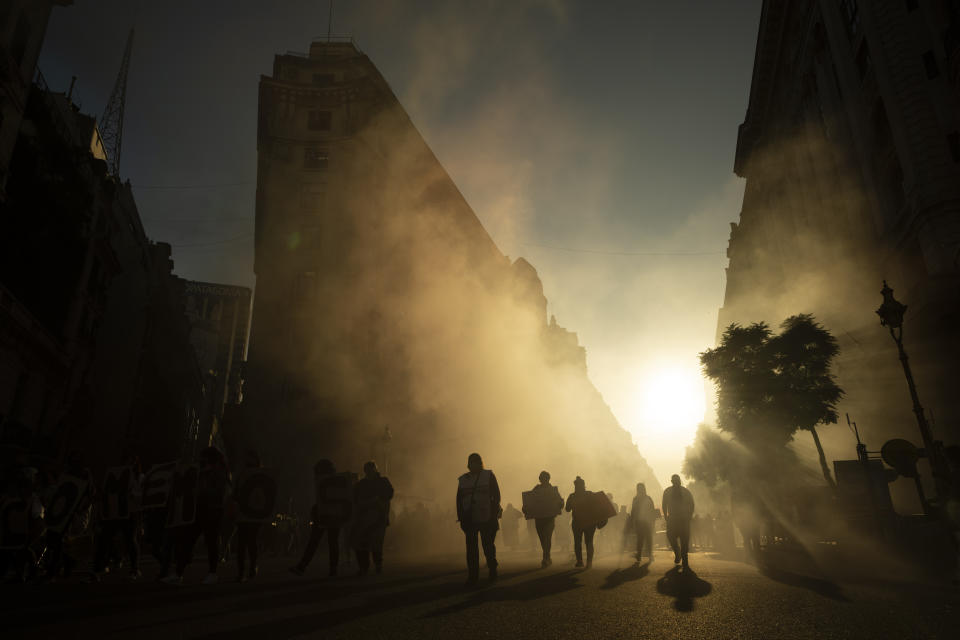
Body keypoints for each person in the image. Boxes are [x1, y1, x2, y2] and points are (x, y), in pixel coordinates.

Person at [164, 447, 231, 585]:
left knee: (211, 542)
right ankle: (178, 573)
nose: (201, 459)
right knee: (188, 541)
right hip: (198, 511)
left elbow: (219, 491)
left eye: (204, 457)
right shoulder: (201, 471)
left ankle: (212, 573)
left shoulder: (219, 472)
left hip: (213, 511)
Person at [88, 457, 143, 582]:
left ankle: (135, 569)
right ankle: (97, 570)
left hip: (130, 513)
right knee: (104, 538)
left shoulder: (139, 478)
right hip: (113, 511)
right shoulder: (114, 475)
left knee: (130, 539)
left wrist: (131, 494)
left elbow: (141, 496)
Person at [290, 459, 344, 577]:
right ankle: (330, 568)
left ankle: (304, 566)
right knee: (327, 541)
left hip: (329, 514)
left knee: (320, 541)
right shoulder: (334, 482)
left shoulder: (328, 482)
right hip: (327, 514)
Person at [456, 453, 501, 584]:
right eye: (472, 462)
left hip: (486, 518)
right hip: (469, 519)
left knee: (487, 546)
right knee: (471, 550)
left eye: (476, 462)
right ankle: (473, 575)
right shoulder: (463, 480)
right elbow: (459, 501)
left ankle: (492, 570)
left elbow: (496, 496)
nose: (474, 465)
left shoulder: (488, 476)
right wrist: (461, 518)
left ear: (480, 463)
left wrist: (493, 515)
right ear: (469, 464)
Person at [352, 460, 394, 576]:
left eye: (371, 469)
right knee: (362, 543)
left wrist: (377, 500)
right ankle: (364, 567)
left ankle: (377, 565)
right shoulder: (361, 485)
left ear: (375, 470)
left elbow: (390, 494)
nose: (369, 472)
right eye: (367, 469)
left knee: (376, 543)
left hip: (379, 517)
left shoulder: (383, 482)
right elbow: (355, 499)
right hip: (364, 518)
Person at [523, 470, 564, 567]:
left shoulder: (553, 490)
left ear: (548, 479)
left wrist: (561, 504)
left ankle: (545, 557)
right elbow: (530, 501)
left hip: (549, 518)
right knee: (542, 538)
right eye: (541, 478)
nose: (542, 479)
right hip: (539, 518)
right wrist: (526, 508)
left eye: (544, 478)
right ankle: (547, 556)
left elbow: (559, 502)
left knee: (547, 537)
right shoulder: (537, 488)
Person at [234, 450, 263, 582]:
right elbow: (236, 491)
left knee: (251, 541)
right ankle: (241, 572)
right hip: (243, 512)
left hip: (254, 513)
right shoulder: (242, 474)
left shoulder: (261, 475)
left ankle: (252, 566)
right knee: (241, 543)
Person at [662, 474, 695, 570]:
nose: (676, 482)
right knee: (671, 536)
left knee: (684, 540)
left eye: (678, 480)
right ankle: (677, 552)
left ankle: (684, 559)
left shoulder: (685, 492)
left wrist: (689, 516)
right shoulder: (667, 492)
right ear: (672, 481)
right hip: (672, 518)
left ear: (680, 481)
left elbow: (691, 505)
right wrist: (665, 516)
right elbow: (664, 505)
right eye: (674, 480)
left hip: (683, 519)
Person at [565, 476, 596, 568]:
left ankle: (581, 561)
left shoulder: (572, 496)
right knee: (588, 542)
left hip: (579, 522)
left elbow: (567, 509)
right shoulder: (589, 494)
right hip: (587, 522)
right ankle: (587, 562)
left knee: (579, 542)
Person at [630, 482, 656, 564]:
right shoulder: (636, 499)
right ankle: (639, 554)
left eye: (640, 488)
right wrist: (632, 521)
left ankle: (649, 554)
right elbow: (633, 511)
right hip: (639, 522)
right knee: (640, 539)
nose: (639, 490)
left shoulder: (647, 498)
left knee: (648, 538)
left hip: (647, 522)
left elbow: (652, 510)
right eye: (638, 488)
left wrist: (652, 520)